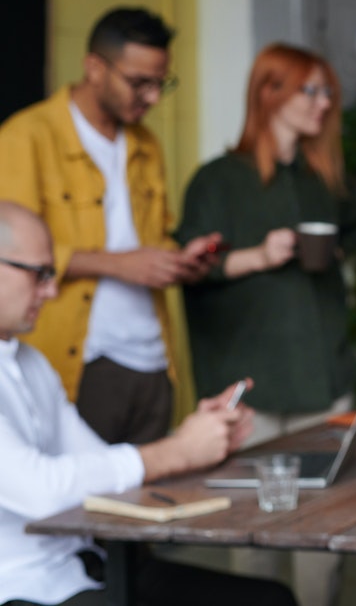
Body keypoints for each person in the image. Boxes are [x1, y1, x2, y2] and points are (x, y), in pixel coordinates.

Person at [0, 201, 297, 606]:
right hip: (27, 588)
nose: (52, 291)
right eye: (39, 274)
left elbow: (103, 463)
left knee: (270, 599)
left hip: (90, 567)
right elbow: (41, 490)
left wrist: (198, 438)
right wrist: (177, 451)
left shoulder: (30, 362)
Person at [173, 43, 356, 606]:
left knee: (322, 534)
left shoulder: (320, 178)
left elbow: (353, 237)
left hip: (322, 377)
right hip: (250, 381)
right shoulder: (217, 180)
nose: (323, 103)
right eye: (311, 90)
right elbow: (189, 269)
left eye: (328, 91)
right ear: (268, 92)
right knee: (255, 535)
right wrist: (257, 254)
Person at [0, 7, 222, 445]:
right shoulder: (26, 137)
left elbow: (150, 238)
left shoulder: (146, 145)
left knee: (154, 499)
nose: (153, 97)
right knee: (85, 504)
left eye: (161, 83)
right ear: (94, 69)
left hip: (154, 360)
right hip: (81, 361)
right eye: (140, 82)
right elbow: (12, 255)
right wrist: (120, 265)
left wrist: (179, 261)